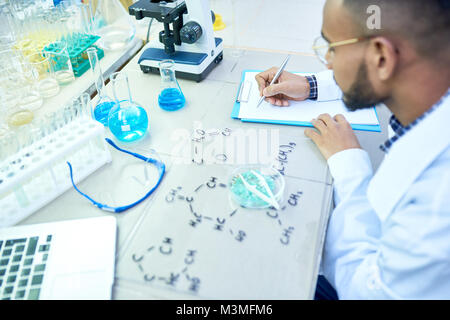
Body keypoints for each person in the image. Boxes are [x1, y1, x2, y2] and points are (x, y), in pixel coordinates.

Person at [256, 0, 450, 299]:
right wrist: (310, 85)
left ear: (382, 58)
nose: (329, 62)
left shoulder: (437, 201)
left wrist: (350, 167)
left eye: (332, 47)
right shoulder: (433, 63)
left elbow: (366, 292)